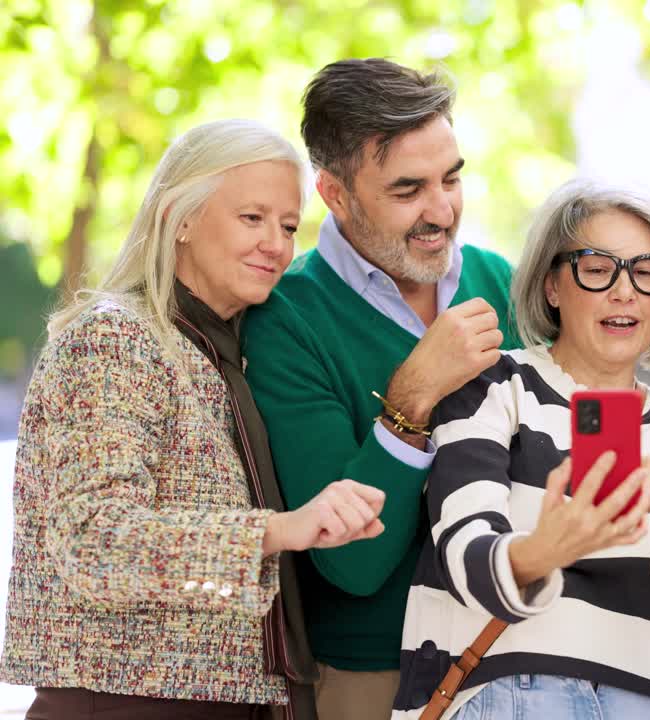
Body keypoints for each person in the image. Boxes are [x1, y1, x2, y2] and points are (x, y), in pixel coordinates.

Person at [241, 58, 650, 720]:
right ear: (336, 195)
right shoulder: (290, 318)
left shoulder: (497, 281)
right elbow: (352, 568)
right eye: (407, 190)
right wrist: (410, 401)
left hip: (535, 658)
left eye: (451, 179)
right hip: (381, 673)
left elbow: (590, 392)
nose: (441, 210)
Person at [0, 119, 387, 720]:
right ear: (180, 218)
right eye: (251, 218)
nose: (277, 245)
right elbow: (95, 540)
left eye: (288, 227)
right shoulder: (116, 338)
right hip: (125, 705)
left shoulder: (228, 352)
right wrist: (279, 530)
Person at [391, 179, 650, 720]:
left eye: (646, 271)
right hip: (516, 692)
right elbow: (463, 555)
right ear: (552, 286)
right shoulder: (493, 386)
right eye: (596, 266)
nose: (624, 290)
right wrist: (544, 550)